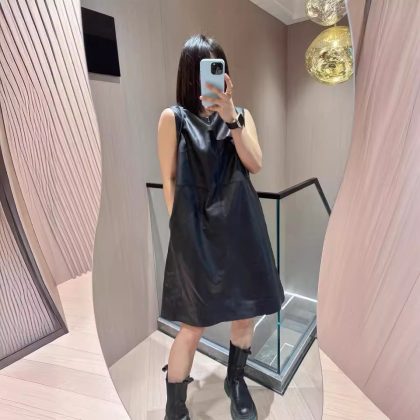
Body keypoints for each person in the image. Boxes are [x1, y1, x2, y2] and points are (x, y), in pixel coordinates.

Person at [157, 34, 285, 420]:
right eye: (206, 69)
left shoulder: (241, 116)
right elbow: (169, 180)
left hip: (242, 228)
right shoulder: (173, 118)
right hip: (195, 235)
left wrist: (232, 118)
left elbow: (255, 163)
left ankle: (235, 380)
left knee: (244, 314)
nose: (214, 76)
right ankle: (175, 407)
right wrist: (181, 236)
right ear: (190, 74)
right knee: (192, 327)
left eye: (219, 68)